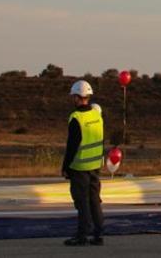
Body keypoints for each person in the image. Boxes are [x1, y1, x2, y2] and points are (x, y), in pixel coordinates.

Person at [62, 80, 104, 247]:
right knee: (95, 200)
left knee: (82, 202)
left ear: (77, 97)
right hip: (95, 166)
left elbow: (72, 145)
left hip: (79, 167)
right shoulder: (97, 115)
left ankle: (82, 235)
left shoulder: (76, 118)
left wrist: (65, 167)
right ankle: (98, 234)